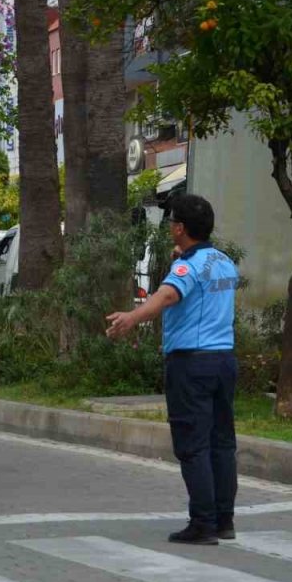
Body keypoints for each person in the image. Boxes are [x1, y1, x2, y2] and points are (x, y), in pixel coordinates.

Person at [105, 194, 239, 545]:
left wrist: (131, 318)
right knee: (221, 443)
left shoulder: (185, 268)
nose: (169, 228)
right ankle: (224, 520)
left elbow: (167, 296)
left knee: (193, 444)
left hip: (192, 363)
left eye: (172, 222)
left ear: (180, 228)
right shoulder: (224, 262)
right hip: (224, 360)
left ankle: (203, 523)